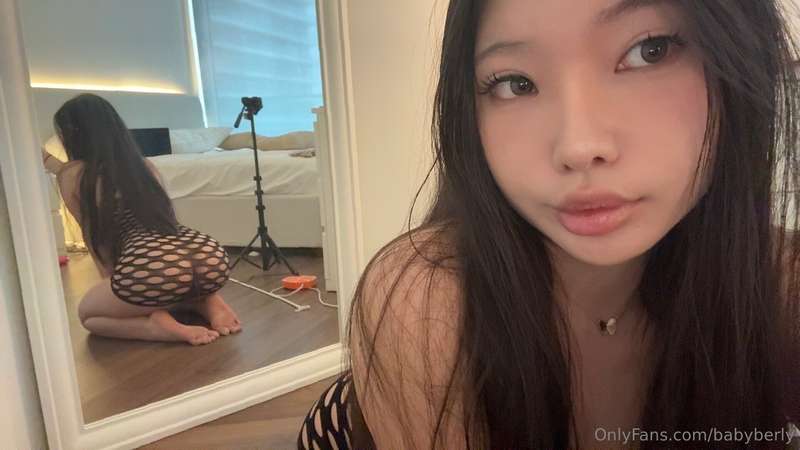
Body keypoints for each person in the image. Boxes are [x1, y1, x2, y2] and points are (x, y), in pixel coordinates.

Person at [298, 0, 800, 448]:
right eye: (515, 83)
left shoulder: (779, 283)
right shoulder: (428, 303)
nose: (578, 146)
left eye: (650, 51)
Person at [42, 93, 241, 346]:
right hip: (207, 255)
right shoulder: (143, 165)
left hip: (154, 265)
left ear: (73, 135)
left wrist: (120, 292)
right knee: (171, 283)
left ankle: (155, 325)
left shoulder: (72, 174)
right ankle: (208, 300)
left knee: (89, 316)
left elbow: (95, 239)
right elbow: (168, 216)